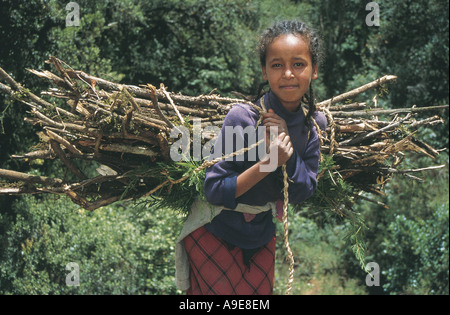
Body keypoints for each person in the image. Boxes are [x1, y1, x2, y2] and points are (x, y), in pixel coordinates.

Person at [175, 20, 327, 295]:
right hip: (214, 227)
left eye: (299, 64)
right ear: (264, 71)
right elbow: (215, 190)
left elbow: (305, 190)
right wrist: (269, 161)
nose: (288, 74)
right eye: (277, 65)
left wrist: (287, 153)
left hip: (259, 232)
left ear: (314, 70)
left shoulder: (313, 125)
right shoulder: (243, 118)